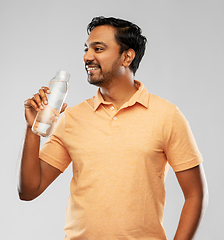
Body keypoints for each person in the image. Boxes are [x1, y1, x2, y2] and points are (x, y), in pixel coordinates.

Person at [19, 16, 208, 240]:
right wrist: (33, 130)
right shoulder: (72, 118)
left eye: (98, 49)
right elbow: (29, 190)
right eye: (87, 49)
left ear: (127, 57)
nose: (87, 57)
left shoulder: (166, 115)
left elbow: (195, 194)